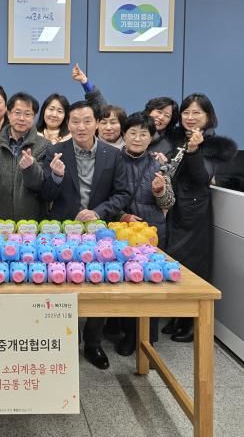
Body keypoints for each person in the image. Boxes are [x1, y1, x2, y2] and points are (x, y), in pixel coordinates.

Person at [40, 100, 130, 369]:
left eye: (87, 121)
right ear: (68, 124)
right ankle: (61, 340)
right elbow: (44, 194)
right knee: (60, 285)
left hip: (98, 233)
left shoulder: (113, 155)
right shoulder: (54, 152)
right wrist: (55, 178)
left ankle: (93, 343)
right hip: (62, 232)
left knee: (99, 288)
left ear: (97, 123)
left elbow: (123, 193)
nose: (81, 127)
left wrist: (98, 212)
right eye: (75, 121)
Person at [164, 93, 237, 343]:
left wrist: (194, 151)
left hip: (194, 210)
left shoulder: (214, 145)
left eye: (197, 113)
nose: (190, 117)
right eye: (186, 112)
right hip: (174, 207)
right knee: (175, 260)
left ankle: (191, 323)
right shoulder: (178, 139)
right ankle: (178, 316)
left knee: (193, 263)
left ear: (208, 116)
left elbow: (201, 178)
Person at [114, 112, 175, 356]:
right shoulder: (112, 160)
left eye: (143, 134)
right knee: (126, 282)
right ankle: (129, 333)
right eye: (132, 133)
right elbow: (105, 196)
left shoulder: (159, 164)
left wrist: (160, 191)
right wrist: (122, 216)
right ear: (124, 134)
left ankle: (147, 338)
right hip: (122, 231)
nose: (137, 138)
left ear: (151, 138)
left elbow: (169, 201)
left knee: (150, 282)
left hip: (151, 233)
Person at [0, 92, 49, 221]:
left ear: (34, 117)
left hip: (32, 222)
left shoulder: (44, 145)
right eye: (17, 113)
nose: (22, 118)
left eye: (28, 114)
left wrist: (31, 167)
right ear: (8, 114)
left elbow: (42, 186)